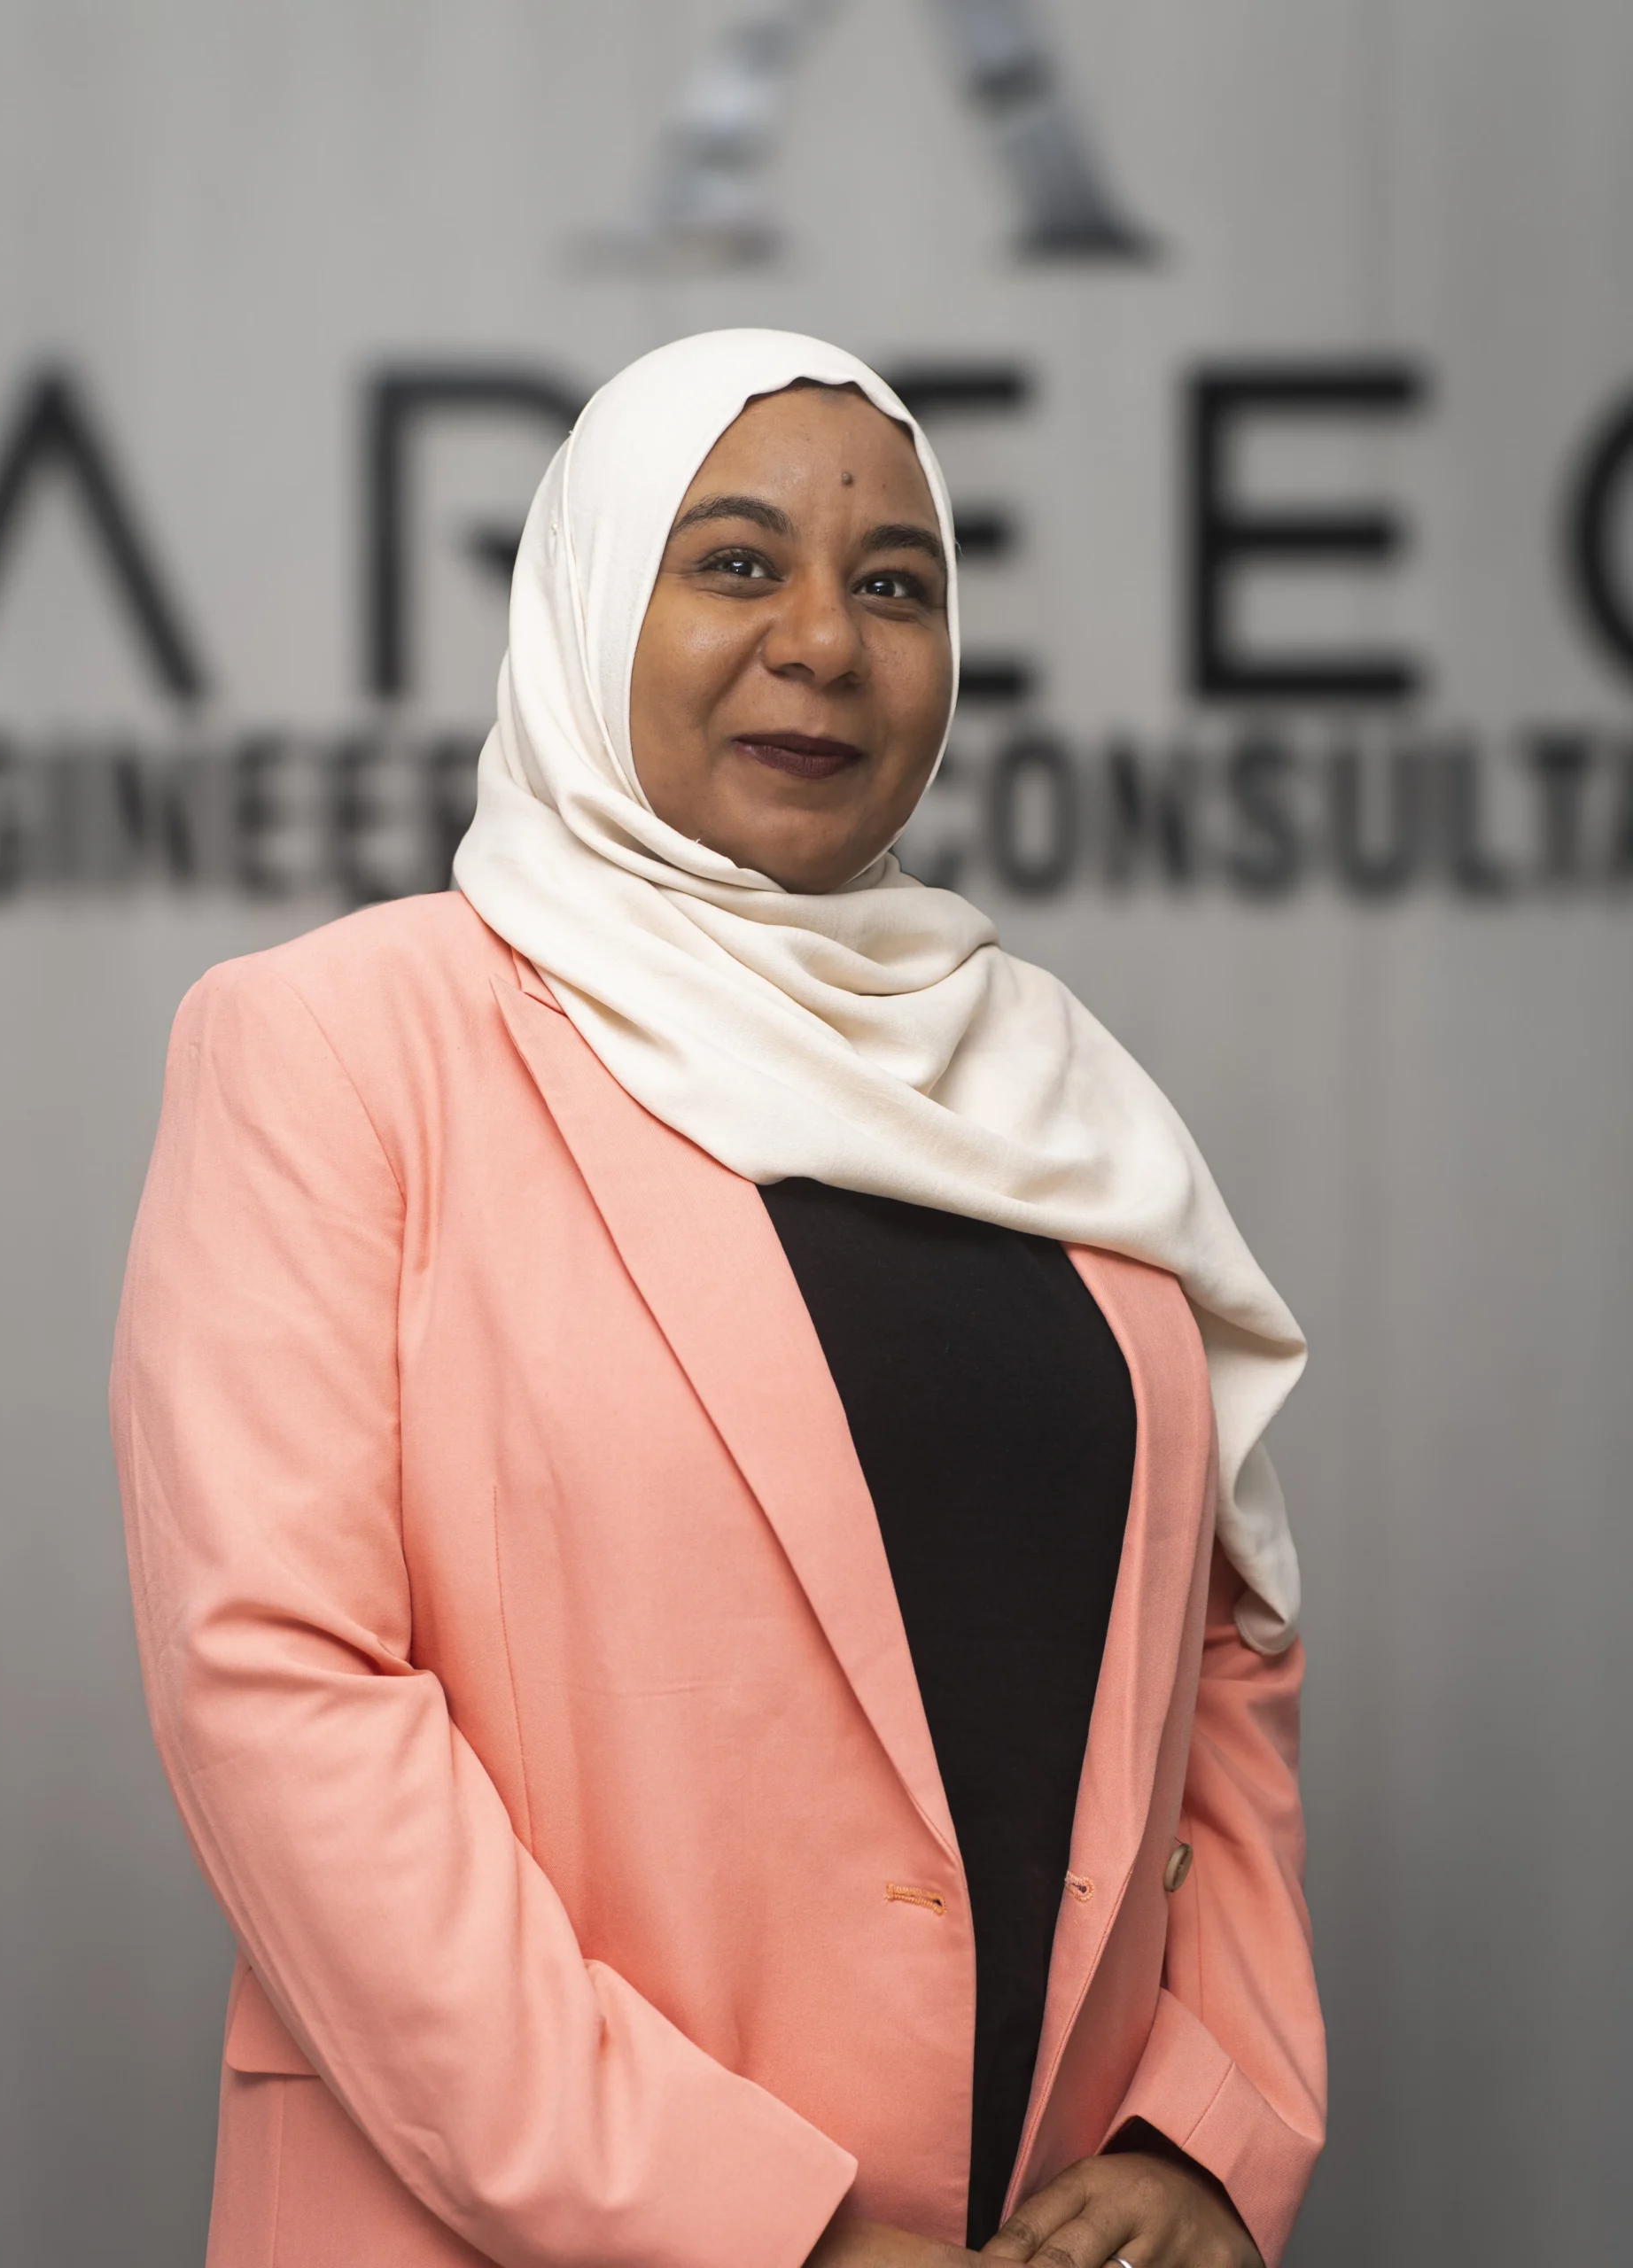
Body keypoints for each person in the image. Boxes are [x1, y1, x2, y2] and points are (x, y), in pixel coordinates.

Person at [112, 330, 1325, 2268]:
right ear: (591, 604)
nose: (825, 643)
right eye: (737, 563)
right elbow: (285, 1701)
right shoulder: (341, 1046)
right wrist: (763, 2224)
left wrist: (1208, 2127)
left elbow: (1219, 1654)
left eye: (896, 586)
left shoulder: (1051, 1093)